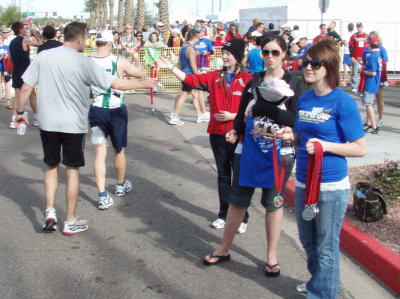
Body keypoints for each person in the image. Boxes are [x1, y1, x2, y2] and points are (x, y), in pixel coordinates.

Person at [15, 22, 157, 235]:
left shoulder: (44, 57)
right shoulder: (84, 62)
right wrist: (143, 84)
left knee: (51, 166)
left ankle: (50, 211)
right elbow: (115, 84)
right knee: (72, 170)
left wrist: (19, 112)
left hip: (48, 123)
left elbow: (26, 86)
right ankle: (70, 221)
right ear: (80, 39)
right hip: (73, 124)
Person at [203, 36, 303, 277]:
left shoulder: (294, 83)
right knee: (237, 200)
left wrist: (267, 110)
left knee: (273, 204)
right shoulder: (253, 80)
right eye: (266, 52)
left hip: (279, 153)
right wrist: (236, 130)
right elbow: (242, 112)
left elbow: (298, 120)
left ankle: (271, 255)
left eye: (275, 53)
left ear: (284, 54)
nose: (269, 57)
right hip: (249, 150)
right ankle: (224, 248)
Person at [276, 39, 366, 297]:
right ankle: (319, 282)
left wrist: (326, 146)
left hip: (331, 186)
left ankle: (324, 293)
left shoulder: (343, 102)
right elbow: (302, 137)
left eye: (315, 63)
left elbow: (359, 148)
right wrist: (290, 135)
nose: (308, 67)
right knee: (308, 242)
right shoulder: (304, 100)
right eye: (306, 62)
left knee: (326, 245)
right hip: (304, 181)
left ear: (329, 67)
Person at [158, 39, 253, 233]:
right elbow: (192, 80)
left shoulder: (247, 79)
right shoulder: (215, 76)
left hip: (239, 135)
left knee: (239, 178)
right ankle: (223, 214)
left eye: (229, 53)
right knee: (223, 176)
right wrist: (171, 69)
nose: (225, 56)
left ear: (238, 55)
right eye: (223, 53)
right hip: (217, 134)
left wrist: (233, 116)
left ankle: (243, 217)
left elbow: (253, 109)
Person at [89, 30, 146, 209]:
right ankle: (120, 186)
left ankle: (102, 194)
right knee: (118, 150)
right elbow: (141, 74)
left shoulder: (88, 62)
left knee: (100, 153)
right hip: (116, 111)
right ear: (109, 44)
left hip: (97, 109)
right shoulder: (118, 61)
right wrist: (136, 57)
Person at [9, 22, 42, 129]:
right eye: (24, 28)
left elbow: (10, 58)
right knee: (32, 94)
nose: (25, 30)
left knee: (17, 96)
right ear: (20, 30)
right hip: (26, 71)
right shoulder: (25, 40)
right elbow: (40, 43)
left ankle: (13, 120)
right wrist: (35, 34)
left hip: (16, 70)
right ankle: (36, 118)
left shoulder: (12, 42)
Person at [168, 30, 203, 125]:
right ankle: (174, 117)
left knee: (194, 95)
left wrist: (180, 74)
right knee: (184, 96)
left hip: (184, 74)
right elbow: (193, 64)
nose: (197, 41)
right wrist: (197, 76)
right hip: (189, 75)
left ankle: (199, 115)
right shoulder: (190, 49)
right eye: (197, 39)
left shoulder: (183, 47)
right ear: (195, 38)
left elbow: (179, 63)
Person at [362, 35, 382, 135]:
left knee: (368, 104)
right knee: (370, 104)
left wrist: (364, 71)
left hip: (370, 83)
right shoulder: (378, 55)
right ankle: (370, 123)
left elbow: (373, 72)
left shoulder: (372, 56)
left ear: (369, 44)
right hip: (375, 83)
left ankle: (374, 126)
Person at [349, 22, 367, 93]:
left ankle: (363, 87)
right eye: (358, 27)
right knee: (355, 72)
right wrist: (352, 56)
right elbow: (350, 46)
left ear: (362, 27)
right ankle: (354, 86)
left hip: (364, 57)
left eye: (360, 27)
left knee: (364, 72)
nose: (359, 28)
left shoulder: (366, 35)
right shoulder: (354, 36)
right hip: (356, 57)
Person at [0, 35, 12, 109]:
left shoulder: (7, 47)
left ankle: (8, 103)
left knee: (7, 85)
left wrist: (7, 56)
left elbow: (11, 56)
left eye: (0, 38)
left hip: (6, 68)